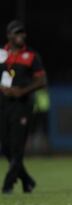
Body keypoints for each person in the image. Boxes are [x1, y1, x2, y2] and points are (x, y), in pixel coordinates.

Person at [0, 20, 47, 194]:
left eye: (22, 33)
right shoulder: (1, 54)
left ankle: (8, 184)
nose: (21, 36)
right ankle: (27, 180)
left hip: (23, 105)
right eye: (17, 33)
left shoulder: (31, 56)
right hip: (4, 105)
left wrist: (22, 91)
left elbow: (41, 80)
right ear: (9, 36)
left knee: (17, 146)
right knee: (5, 147)